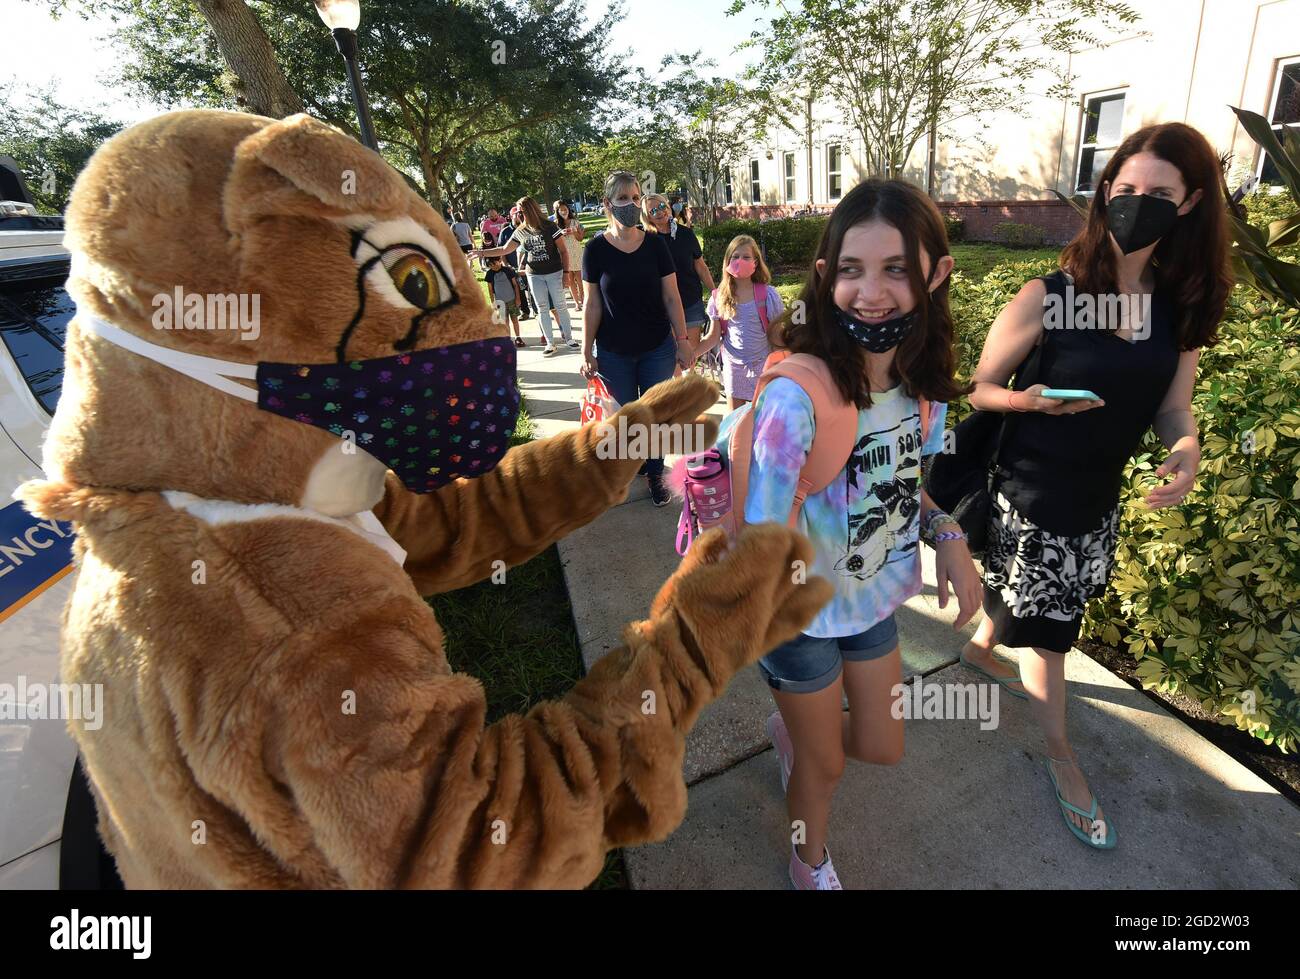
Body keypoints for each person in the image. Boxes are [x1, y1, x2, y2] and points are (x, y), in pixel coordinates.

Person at [960, 122, 1230, 850]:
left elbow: (1175, 405)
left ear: (1192, 202)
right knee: (1048, 631)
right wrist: (1028, 400)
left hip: (1096, 495)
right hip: (1034, 486)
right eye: (1127, 187)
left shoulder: (1180, 310)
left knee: (1036, 595)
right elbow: (981, 389)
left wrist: (1187, 445)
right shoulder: (1046, 294)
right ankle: (1061, 754)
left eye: (1160, 194)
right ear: (1106, 189)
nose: (1137, 203)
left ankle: (982, 648)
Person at [749, 179, 979, 889]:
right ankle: (807, 856)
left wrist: (947, 534)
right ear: (825, 276)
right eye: (851, 269)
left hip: (874, 605)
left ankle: (799, 732)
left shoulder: (923, 388)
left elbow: (911, 487)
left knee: (880, 746)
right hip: (801, 617)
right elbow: (762, 540)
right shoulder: (797, 398)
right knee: (826, 766)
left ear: (935, 274)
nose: (870, 291)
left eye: (895, 268)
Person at [579, 170, 693, 505]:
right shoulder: (595, 249)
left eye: (634, 197)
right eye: (622, 198)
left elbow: (672, 296)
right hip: (614, 352)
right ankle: (629, 470)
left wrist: (683, 339)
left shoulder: (656, 245)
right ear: (607, 204)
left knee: (653, 415)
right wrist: (586, 350)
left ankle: (655, 472)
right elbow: (591, 303)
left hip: (657, 347)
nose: (629, 204)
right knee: (626, 420)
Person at [473, 197, 575, 356]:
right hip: (534, 274)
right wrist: (481, 252)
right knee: (542, 308)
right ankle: (550, 343)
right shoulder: (520, 230)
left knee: (560, 305)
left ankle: (569, 338)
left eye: (522, 211)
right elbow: (504, 249)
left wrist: (566, 273)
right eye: (518, 212)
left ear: (531, 209)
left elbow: (563, 251)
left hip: (555, 272)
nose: (519, 214)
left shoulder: (549, 226)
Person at [694, 235, 781, 410]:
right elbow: (713, 337)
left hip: (763, 364)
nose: (740, 261)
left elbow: (777, 334)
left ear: (756, 262)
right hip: (734, 367)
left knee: (763, 419)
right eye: (735, 256)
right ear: (727, 261)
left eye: (746, 257)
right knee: (734, 421)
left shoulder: (767, 295)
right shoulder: (719, 297)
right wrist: (691, 354)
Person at [642, 193, 714, 375]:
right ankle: (678, 391)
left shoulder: (686, 234)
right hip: (663, 305)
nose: (659, 212)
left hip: (690, 301)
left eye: (662, 206)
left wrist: (715, 291)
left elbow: (700, 266)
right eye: (653, 210)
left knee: (691, 352)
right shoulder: (646, 240)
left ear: (668, 207)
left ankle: (688, 390)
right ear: (646, 216)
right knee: (672, 354)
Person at [553, 198, 587, 311]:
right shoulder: (555, 225)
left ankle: (584, 301)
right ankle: (577, 303)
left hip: (576, 254)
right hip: (564, 256)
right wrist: (560, 234)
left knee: (580, 280)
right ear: (557, 212)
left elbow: (580, 238)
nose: (563, 211)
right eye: (561, 210)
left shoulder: (575, 222)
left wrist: (575, 232)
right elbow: (553, 242)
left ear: (568, 209)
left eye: (565, 209)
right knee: (571, 281)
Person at [485, 255, 526, 346]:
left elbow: (515, 285)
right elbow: (490, 290)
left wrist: (518, 298)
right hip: (500, 303)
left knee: (515, 319)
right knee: (505, 321)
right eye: (490, 265)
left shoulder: (508, 271)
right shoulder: (489, 274)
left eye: (494, 264)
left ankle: (518, 338)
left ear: (499, 261)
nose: (493, 267)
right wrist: (493, 302)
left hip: (512, 300)